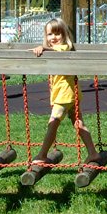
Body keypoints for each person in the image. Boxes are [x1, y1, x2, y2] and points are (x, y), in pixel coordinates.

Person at [30, 17, 99, 165]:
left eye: (57, 34)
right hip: (69, 92)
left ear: (64, 35)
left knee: (53, 122)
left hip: (65, 94)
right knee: (78, 122)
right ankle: (92, 153)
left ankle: (42, 154)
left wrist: (43, 48)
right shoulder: (54, 49)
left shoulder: (65, 48)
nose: (53, 37)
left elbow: (58, 50)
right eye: (50, 34)